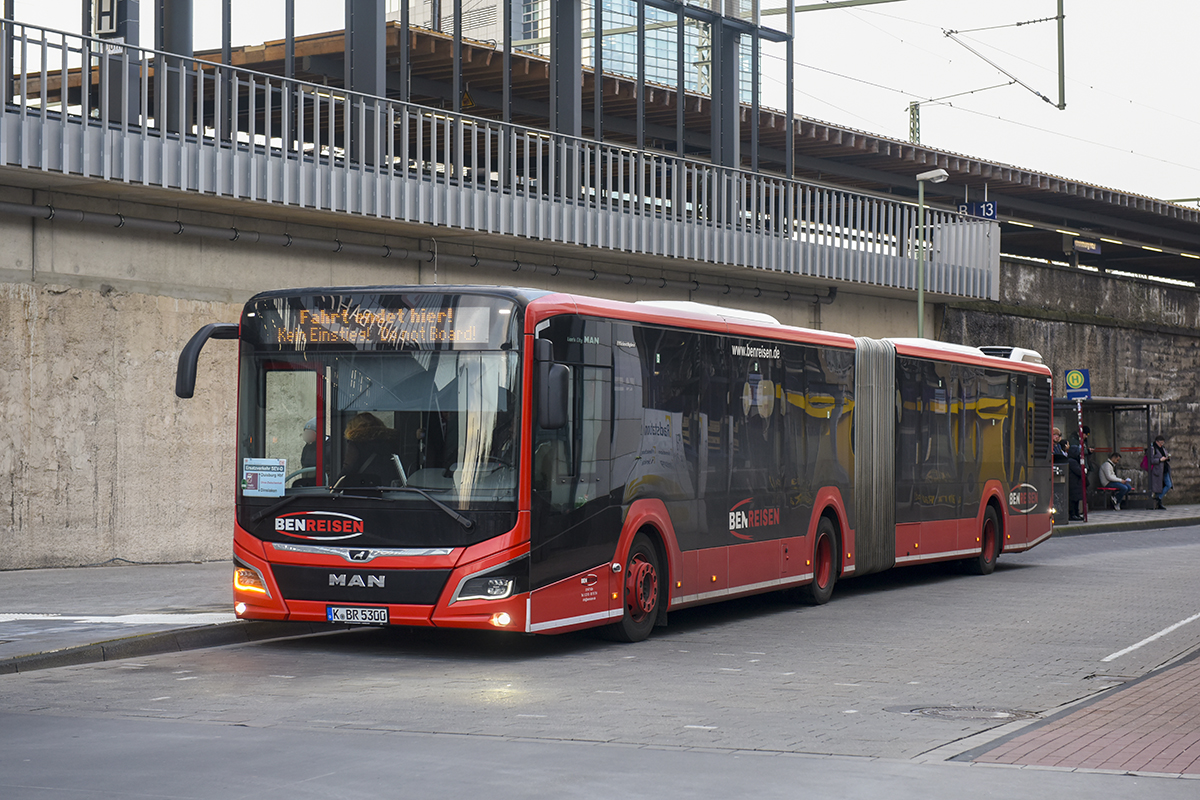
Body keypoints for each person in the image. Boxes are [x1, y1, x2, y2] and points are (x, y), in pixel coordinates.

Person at [1147, 434, 1172, 509]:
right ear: (1157, 442)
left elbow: (1165, 455)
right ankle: (1159, 502)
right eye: (1161, 443)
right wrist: (1159, 460)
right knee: (1158, 487)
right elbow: (1151, 460)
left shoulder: (1163, 448)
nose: (1162, 444)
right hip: (1157, 471)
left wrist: (1168, 457)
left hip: (1165, 469)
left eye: (1163, 443)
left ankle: (1158, 498)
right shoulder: (1153, 449)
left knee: (1168, 485)